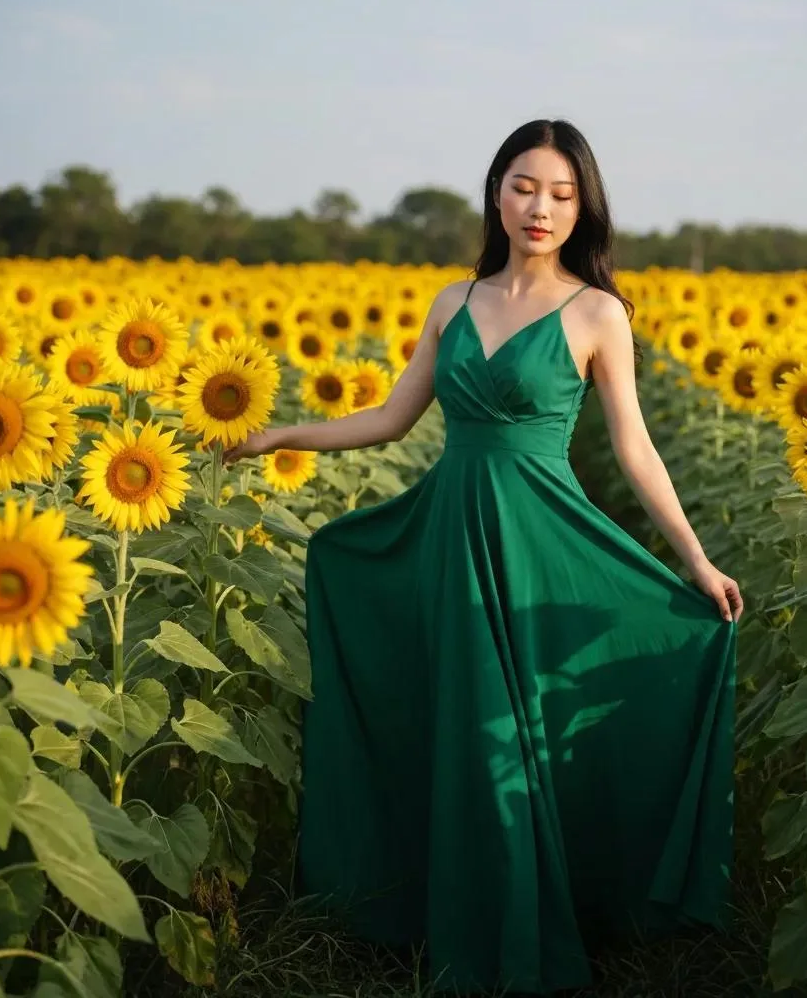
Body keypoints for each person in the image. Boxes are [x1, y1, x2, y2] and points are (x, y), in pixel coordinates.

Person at [224, 118, 742, 995]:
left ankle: (528, 918)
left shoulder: (596, 312)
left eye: (563, 194)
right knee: (455, 717)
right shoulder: (451, 304)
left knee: (518, 735)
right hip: (448, 532)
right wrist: (280, 433)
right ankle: (444, 910)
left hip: (540, 540)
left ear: (584, 209)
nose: (541, 207)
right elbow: (390, 421)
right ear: (496, 193)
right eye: (525, 186)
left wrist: (693, 559)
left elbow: (635, 449)